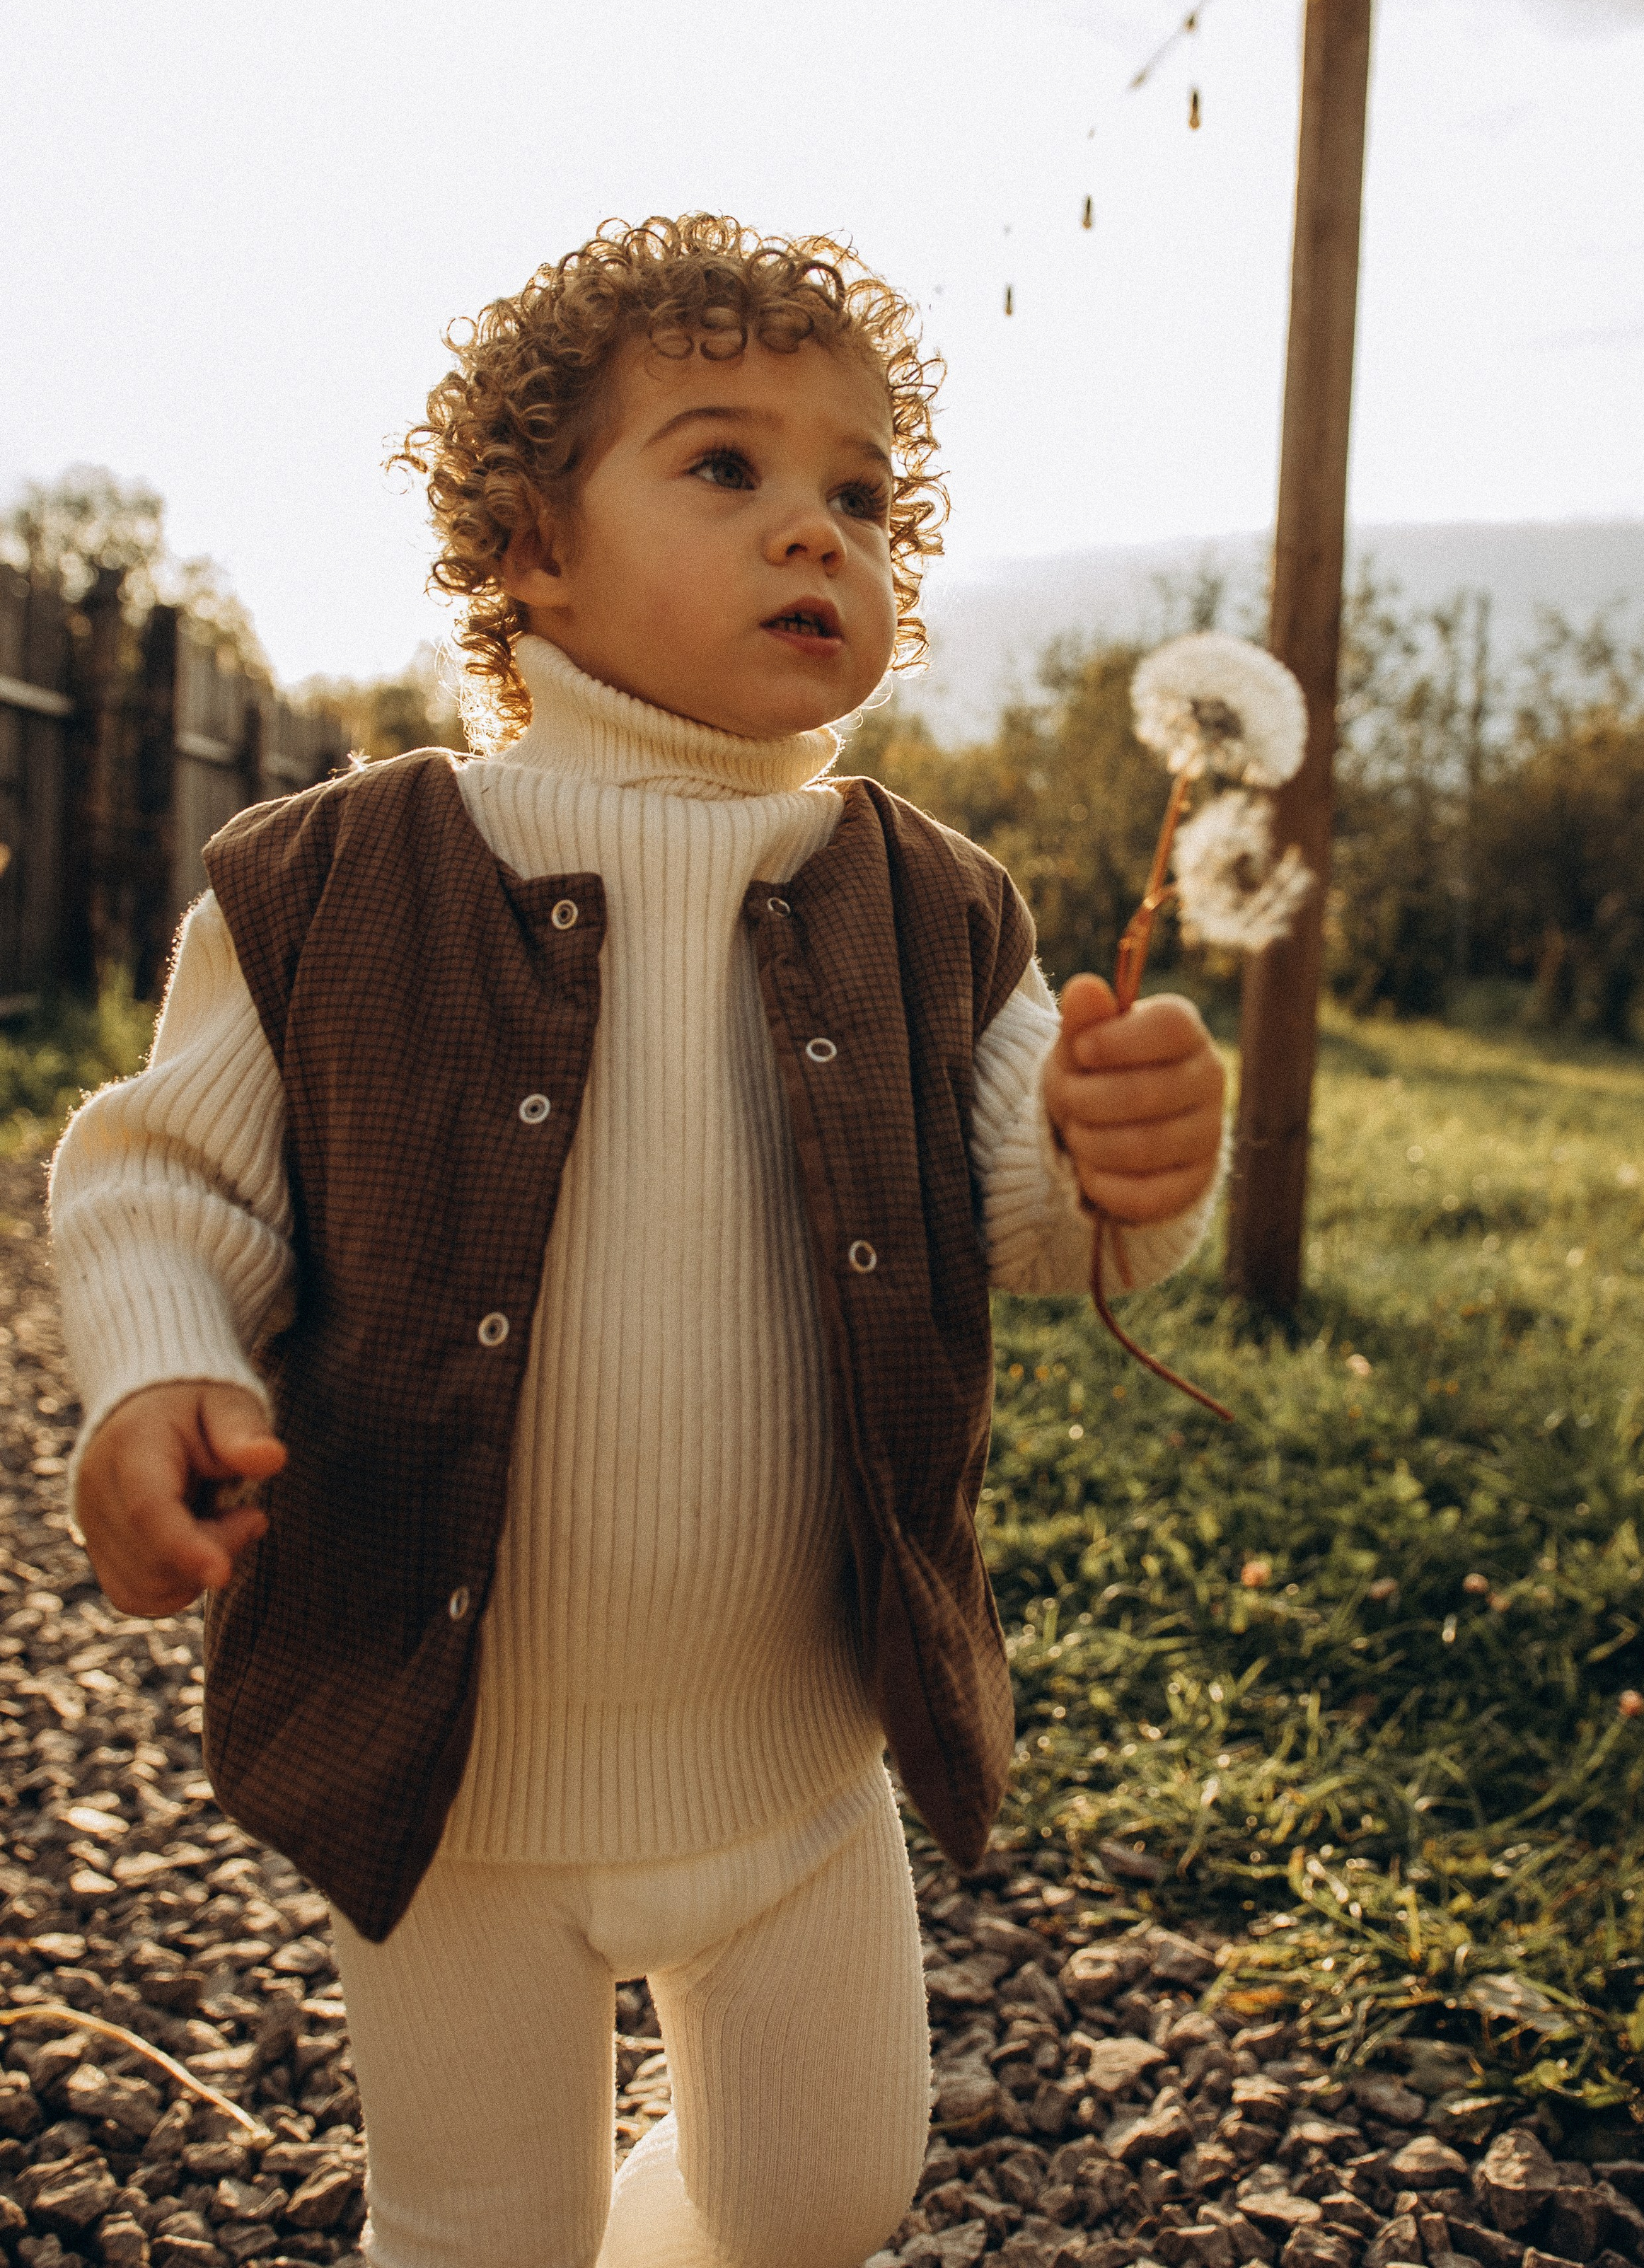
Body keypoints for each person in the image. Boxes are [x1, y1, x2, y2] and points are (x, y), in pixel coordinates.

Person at [52, 215, 1227, 2268]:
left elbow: (1032, 1224)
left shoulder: (936, 908)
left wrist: (1127, 1161)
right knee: (480, 2226)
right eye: (728, 467)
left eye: (861, 496)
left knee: (823, 2199)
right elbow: (166, 1181)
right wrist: (165, 1369)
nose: (818, 533)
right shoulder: (335, 883)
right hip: (455, 1782)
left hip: (795, 1756)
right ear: (530, 546)